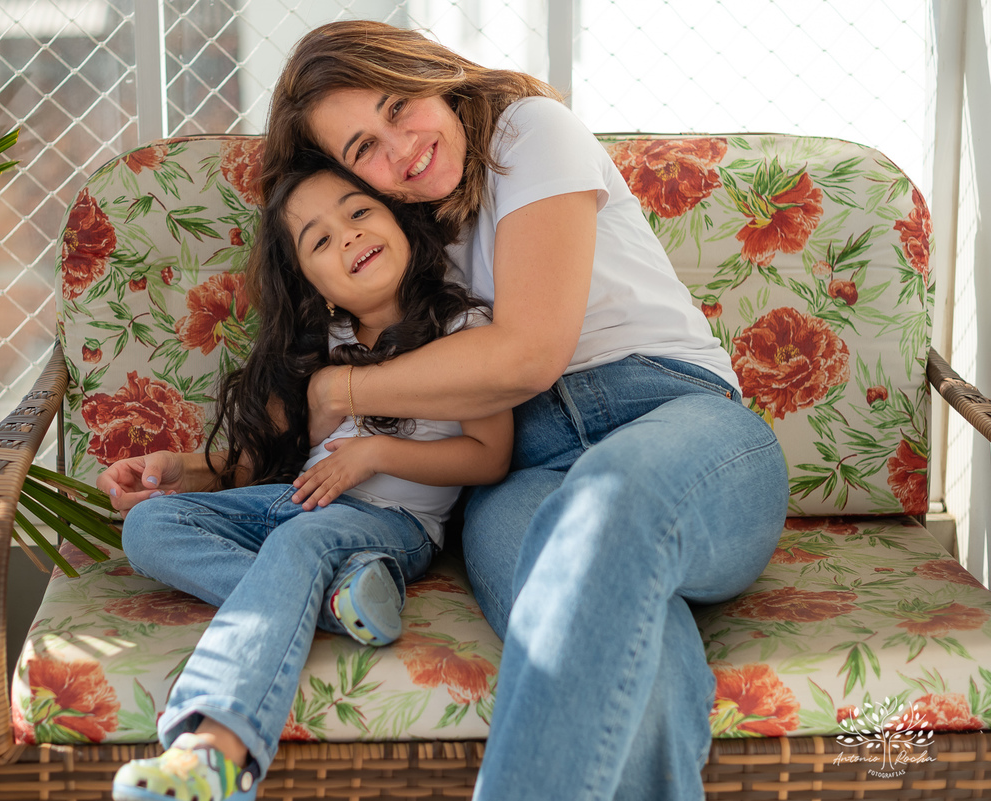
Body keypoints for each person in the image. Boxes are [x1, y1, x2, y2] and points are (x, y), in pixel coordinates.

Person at [259, 20, 791, 801]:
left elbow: (529, 354)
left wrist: (340, 390)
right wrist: (196, 467)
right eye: (364, 148)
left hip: (676, 422)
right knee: (632, 655)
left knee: (608, 506)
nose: (400, 150)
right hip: (519, 473)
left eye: (399, 107)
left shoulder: (527, 133)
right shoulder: (398, 241)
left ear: (433, 74)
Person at [102, 154, 513, 801]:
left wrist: (375, 453)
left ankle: (214, 749)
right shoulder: (326, 342)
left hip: (393, 521)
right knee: (150, 524)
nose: (348, 236)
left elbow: (489, 456)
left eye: (359, 212)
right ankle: (337, 601)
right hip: (300, 499)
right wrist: (179, 466)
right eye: (320, 240)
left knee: (299, 544)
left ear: (399, 221)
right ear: (314, 283)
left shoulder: (463, 327)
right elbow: (266, 459)